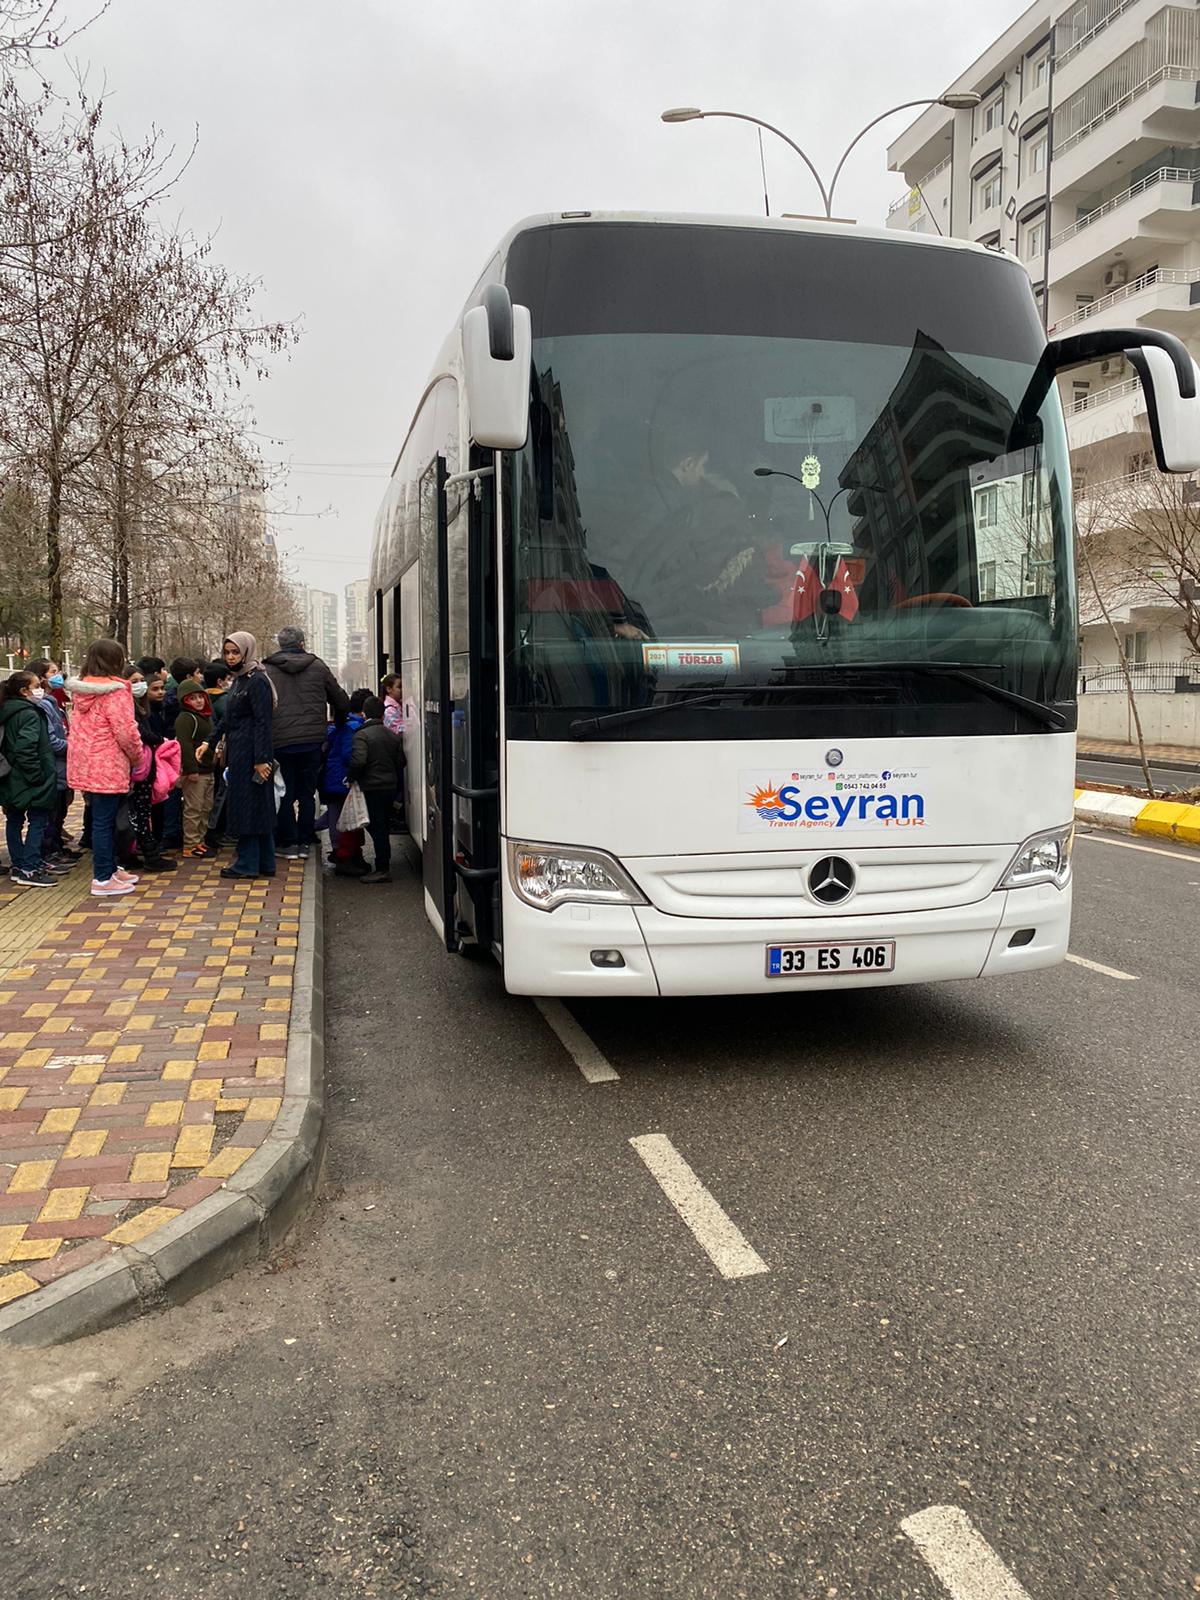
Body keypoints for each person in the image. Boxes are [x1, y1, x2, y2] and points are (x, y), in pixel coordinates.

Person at [263, 625, 349, 861]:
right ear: (302, 644)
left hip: (279, 742)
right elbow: (341, 701)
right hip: (312, 742)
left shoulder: (267, 670)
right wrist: (338, 726)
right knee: (307, 794)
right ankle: (304, 841)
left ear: (280, 645)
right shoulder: (318, 666)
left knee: (284, 792)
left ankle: (288, 843)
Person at [66, 639, 142, 897]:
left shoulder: (81, 690)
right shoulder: (116, 691)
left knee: (101, 819)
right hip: (109, 762)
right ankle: (102, 877)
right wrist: (137, 757)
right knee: (105, 822)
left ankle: (110, 868)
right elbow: (126, 731)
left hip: (86, 762)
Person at [219, 632, 277, 880]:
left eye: (235, 652)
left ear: (246, 651)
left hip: (252, 756)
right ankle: (264, 861)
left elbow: (264, 722)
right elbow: (228, 718)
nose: (231, 657)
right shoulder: (240, 680)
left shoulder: (257, 681)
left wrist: (261, 759)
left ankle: (248, 863)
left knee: (250, 808)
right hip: (241, 754)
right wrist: (209, 741)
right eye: (227, 652)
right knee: (255, 807)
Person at [0, 670, 59, 888]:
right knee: (38, 820)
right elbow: (26, 748)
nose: (40, 689)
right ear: (24, 691)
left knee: (14, 819)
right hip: (29, 778)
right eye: (36, 686)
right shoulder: (29, 714)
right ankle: (30, 867)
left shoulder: (7, 710)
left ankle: (18, 864)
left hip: (10, 776)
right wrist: (37, 775)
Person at [346, 694, 404, 885]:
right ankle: (383, 863)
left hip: (372, 787)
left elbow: (359, 761)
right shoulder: (392, 736)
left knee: (377, 827)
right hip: (390, 786)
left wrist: (351, 777)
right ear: (382, 714)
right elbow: (401, 762)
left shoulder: (361, 735)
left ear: (364, 713)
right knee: (383, 825)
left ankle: (382, 869)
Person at [26, 657, 77, 868]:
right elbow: (51, 740)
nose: (58, 676)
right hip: (53, 767)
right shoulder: (42, 705)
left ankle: (56, 847)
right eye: (53, 672)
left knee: (59, 813)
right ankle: (48, 852)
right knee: (48, 816)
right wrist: (74, 747)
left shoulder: (55, 701)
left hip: (61, 768)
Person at [126, 670, 176, 874]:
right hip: (137, 768)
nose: (140, 685)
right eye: (134, 681)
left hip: (145, 767)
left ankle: (141, 852)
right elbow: (140, 734)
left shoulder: (142, 708)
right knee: (139, 813)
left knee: (143, 812)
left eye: (141, 681)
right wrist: (159, 739)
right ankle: (148, 855)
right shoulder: (128, 709)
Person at [320, 686, 369, 876]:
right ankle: (344, 856)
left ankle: (347, 853)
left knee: (339, 816)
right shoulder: (354, 728)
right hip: (343, 779)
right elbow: (350, 756)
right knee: (348, 818)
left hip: (335, 777)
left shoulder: (344, 724)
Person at [174, 676, 215, 857]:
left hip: (208, 769)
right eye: (192, 698)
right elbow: (185, 745)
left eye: (200, 697)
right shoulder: (186, 718)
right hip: (196, 771)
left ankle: (200, 841)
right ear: (185, 700)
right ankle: (190, 844)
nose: (198, 701)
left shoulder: (205, 717)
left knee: (206, 807)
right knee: (193, 808)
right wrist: (191, 769)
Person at [202, 659, 233, 852]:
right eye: (228, 678)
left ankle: (207, 830)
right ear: (221, 681)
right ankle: (217, 830)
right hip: (223, 754)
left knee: (207, 795)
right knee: (222, 792)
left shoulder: (198, 697)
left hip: (204, 752)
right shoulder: (227, 700)